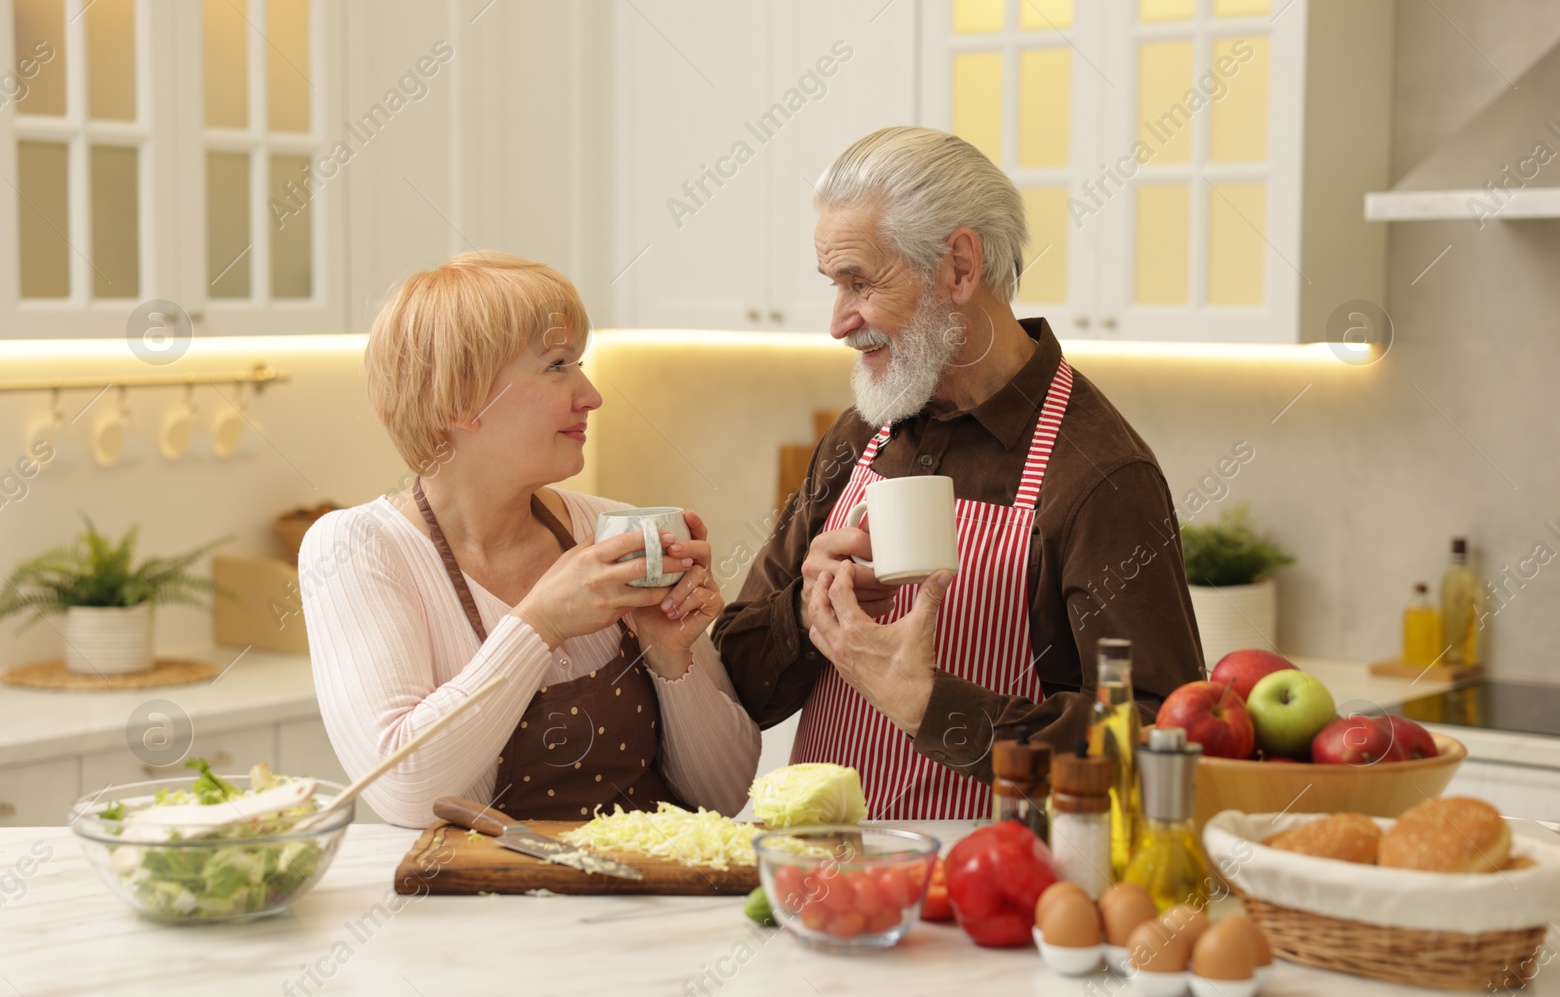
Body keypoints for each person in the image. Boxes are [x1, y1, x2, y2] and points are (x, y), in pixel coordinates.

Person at [713, 127, 1204, 820]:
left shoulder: (1099, 473)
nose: (837, 321)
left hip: (983, 901)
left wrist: (932, 703)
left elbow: (1159, 745)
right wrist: (803, 608)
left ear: (960, 268)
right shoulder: (861, 433)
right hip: (818, 881)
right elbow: (738, 685)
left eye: (860, 282)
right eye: (835, 284)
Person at [302, 252, 759, 827]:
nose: (590, 394)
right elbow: (408, 794)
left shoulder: (611, 530)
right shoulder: (356, 548)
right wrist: (540, 623)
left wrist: (671, 658)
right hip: (488, 911)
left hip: (646, 903)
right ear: (461, 398)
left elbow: (727, 793)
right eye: (557, 366)